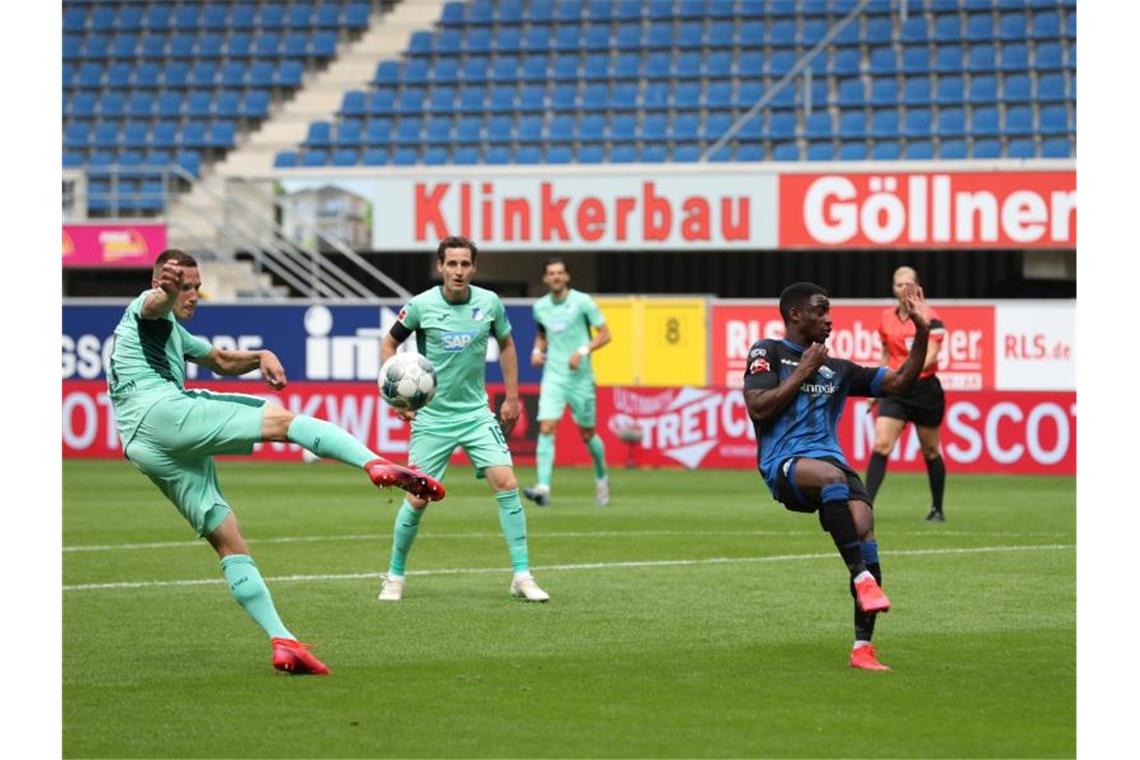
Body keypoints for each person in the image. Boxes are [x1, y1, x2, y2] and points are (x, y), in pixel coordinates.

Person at [109, 250, 445, 676]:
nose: (193, 295)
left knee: (227, 539)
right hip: (160, 410)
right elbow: (153, 304)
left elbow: (219, 361)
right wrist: (164, 291)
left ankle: (283, 641)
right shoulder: (145, 308)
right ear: (162, 281)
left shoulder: (171, 331)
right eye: (185, 286)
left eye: (196, 287)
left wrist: (259, 356)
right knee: (284, 421)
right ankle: (377, 464)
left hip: (142, 444)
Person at [742, 281, 931, 671]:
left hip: (833, 463)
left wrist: (923, 331)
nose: (829, 318)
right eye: (820, 310)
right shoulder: (768, 352)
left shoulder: (839, 370)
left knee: (864, 525)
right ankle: (861, 577)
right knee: (831, 478)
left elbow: (899, 382)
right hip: (785, 463)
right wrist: (804, 369)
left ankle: (863, 648)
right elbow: (759, 407)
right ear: (796, 315)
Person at [377, 236, 550, 602]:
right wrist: (395, 396)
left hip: (475, 413)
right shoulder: (421, 306)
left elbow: (506, 345)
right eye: (451, 264)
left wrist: (513, 395)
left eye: (465, 264)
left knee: (506, 482)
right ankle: (394, 576)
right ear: (440, 266)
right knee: (418, 498)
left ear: (473, 267)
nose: (458, 271)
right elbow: (389, 344)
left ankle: (522, 574)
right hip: (432, 417)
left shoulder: (489, 303)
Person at [523, 257, 612, 507]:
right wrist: (536, 351)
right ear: (545, 278)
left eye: (560, 273)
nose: (556, 277)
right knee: (547, 427)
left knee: (587, 434)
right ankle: (543, 486)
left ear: (567, 277)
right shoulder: (540, 307)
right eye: (551, 273)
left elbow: (605, 334)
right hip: (553, 375)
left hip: (580, 377)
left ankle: (602, 477)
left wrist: (582, 351)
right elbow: (542, 335)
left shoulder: (582, 302)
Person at [864, 266, 949, 522]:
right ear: (893, 288)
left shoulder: (930, 317)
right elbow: (886, 355)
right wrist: (875, 387)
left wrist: (902, 371)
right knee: (881, 444)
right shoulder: (885, 318)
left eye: (908, 284)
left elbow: (932, 354)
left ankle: (937, 508)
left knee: (931, 451)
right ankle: (865, 506)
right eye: (899, 284)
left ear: (916, 286)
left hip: (924, 389)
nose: (904, 289)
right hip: (896, 388)